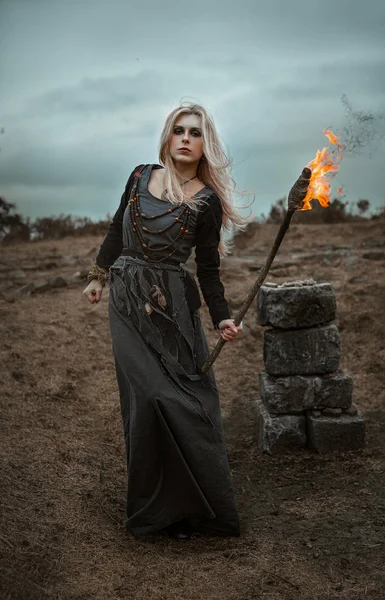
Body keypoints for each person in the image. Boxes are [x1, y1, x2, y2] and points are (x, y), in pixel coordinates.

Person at [83, 102, 252, 541]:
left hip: (174, 307)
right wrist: (98, 277)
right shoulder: (140, 176)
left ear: (204, 145)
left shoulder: (205, 201)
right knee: (149, 399)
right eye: (178, 130)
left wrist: (223, 318)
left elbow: (210, 270)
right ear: (167, 136)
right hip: (127, 298)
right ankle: (155, 511)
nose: (185, 138)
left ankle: (193, 508)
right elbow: (117, 230)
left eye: (195, 132)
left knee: (187, 402)